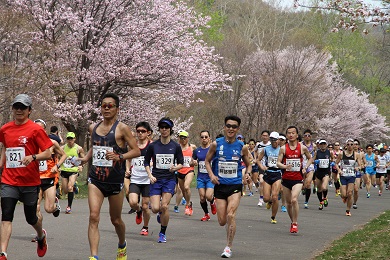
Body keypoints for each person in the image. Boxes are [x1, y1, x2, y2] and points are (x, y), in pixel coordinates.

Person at [79, 93, 140, 260]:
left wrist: (119, 157)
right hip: (96, 179)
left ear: (117, 109)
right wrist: (85, 159)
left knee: (116, 220)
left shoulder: (122, 129)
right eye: (104, 105)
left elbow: (136, 150)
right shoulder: (93, 128)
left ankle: (122, 244)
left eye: (110, 106)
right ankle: (94, 256)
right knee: (93, 216)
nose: (106, 108)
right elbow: (95, 147)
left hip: (115, 180)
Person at [0, 94, 53, 259]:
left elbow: (48, 152)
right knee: (6, 216)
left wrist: (33, 157)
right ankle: (3, 253)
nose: (19, 110)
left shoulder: (36, 129)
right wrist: (1, 164)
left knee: (31, 218)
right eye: (16, 107)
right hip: (9, 180)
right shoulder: (5, 129)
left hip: (30, 182)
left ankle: (41, 236)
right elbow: (5, 148)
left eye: (23, 107)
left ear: (29, 110)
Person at [205, 115, 252, 258]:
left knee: (231, 214)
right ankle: (215, 203)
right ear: (225, 127)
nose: (231, 129)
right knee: (222, 221)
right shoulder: (216, 144)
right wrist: (212, 175)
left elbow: (249, 164)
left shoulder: (241, 147)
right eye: (228, 126)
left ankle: (228, 247)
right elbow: (207, 161)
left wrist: (248, 174)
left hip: (235, 185)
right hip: (220, 186)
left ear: (238, 129)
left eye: (234, 127)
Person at [144, 117, 184, 243]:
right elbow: (146, 162)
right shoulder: (153, 146)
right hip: (156, 179)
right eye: (162, 127)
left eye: (166, 127)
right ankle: (159, 213)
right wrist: (150, 175)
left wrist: (175, 167)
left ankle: (162, 233)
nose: (164, 129)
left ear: (170, 129)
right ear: (159, 129)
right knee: (156, 208)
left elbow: (181, 163)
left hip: (169, 180)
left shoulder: (175, 146)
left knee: (165, 206)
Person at [277, 126, 313, 233]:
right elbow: (278, 162)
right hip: (286, 178)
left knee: (294, 199)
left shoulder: (302, 147)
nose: (291, 135)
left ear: (297, 135)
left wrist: (305, 167)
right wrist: (284, 166)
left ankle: (295, 223)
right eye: (289, 133)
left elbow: (310, 158)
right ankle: (292, 221)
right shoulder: (283, 148)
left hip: (297, 179)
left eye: (293, 133)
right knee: (288, 203)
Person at [34, 119, 67, 227]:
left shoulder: (52, 143)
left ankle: (55, 207)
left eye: (40, 128)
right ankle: (40, 232)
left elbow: (64, 155)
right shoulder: (29, 144)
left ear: (44, 130)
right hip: (35, 179)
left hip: (49, 177)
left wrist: (57, 166)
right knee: (36, 208)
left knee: (48, 208)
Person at [127, 121, 152, 236]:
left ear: (148, 133)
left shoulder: (152, 146)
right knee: (132, 202)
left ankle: (145, 227)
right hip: (135, 179)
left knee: (146, 205)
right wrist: (128, 169)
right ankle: (138, 210)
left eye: (143, 131)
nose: (140, 133)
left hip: (147, 180)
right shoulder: (133, 146)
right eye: (138, 131)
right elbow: (128, 159)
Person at [257, 131, 282, 224]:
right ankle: (269, 202)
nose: (273, 142)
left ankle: (273, 216)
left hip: (277, 174)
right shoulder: (266, 149)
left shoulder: (281, 149)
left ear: (278, 140)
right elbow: (258, 160)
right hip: (268, 173)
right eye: (271, 140)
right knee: (266, 198)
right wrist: (262, 167)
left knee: (275, 197)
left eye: (275, 140)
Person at [334, 139, 363, 217]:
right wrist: (339, 170)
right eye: (348, 144)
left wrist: (358, 168)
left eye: (351, 144)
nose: (350, 146)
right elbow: (335, 163)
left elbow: (360, 165)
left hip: (352, 176)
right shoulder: (341, 154)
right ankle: (344, 197)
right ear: (346, 146)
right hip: (343, 176)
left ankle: (348, 210)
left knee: (350, 193)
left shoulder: (356, 154)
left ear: (354, 145)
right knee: (344, 194)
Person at [192, 130, 216, 221]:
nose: (204, 139)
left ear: (209, 138)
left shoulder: (213, 150)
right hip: (201, 177)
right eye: (202, 137)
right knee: (202, 198)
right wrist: (193, 162)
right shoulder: (197, 151)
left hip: (210, 177)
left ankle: (213, 202)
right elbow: (191, 161)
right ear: (200, 138)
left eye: (206, 137)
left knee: (208, 196)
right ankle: (206, 214)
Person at [59, 131, 85, 214]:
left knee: (70, 187)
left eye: (71, 139)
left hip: (73, 171)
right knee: (65, 191)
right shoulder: (62, 148)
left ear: (74, 139)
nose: (70, 140)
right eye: (68, 139)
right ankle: (75, 187)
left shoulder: (79, 148)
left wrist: (81, 166)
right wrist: (58, 165)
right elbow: (58, 157)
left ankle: (69, 206)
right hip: (64, 170)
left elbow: (84, 158)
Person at [177, 130, 197, 216]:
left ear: (188, 138)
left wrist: (195, 161)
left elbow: (197, 155)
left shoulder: (192, 147)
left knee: (186, 187)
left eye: (184, 138)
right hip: (180, 170)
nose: (183, 139)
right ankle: (189, 203)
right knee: (183, 190)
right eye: (181, 138)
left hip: (189, 169)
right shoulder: (177, 148)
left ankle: (187, 205)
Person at [312, 140, 334, 210]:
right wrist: (315, 162)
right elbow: (312, 160)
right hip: (318, 172)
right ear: (319, 145)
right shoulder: (317, 152)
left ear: (326, 145)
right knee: (319, 190)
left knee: (324, 187)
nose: (323, 145)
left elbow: (333, 159)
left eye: (324, 144)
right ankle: (321, 202)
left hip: (326, 172)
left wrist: (331, 163)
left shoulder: (329, 152)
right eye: (321, 144)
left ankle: (324, 197)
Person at [301, 129, 317, 209]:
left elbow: (315, 154)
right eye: (305, 135)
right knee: (303, 185)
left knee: (308, 183)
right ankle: (303, 189)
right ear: (303, 137)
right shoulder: (300, 144)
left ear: (311, 137)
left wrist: (313, 160)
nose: (307, 137)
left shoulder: (313, 145)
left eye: (309, 135)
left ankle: (306, 201)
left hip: (310, 166)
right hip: (301, 165)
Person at [255, 130, 271, 206]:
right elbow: (255, 151)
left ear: (269, 137)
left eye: (266, 136)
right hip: (261, 165)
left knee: (269, 184)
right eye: (263, 135)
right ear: (261, 136)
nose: (265, 137)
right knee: (261, 182)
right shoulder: (258, 145)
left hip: (270, 167)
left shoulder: (271, 145)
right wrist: (256, 158)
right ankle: (261, 199)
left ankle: (269, 198)